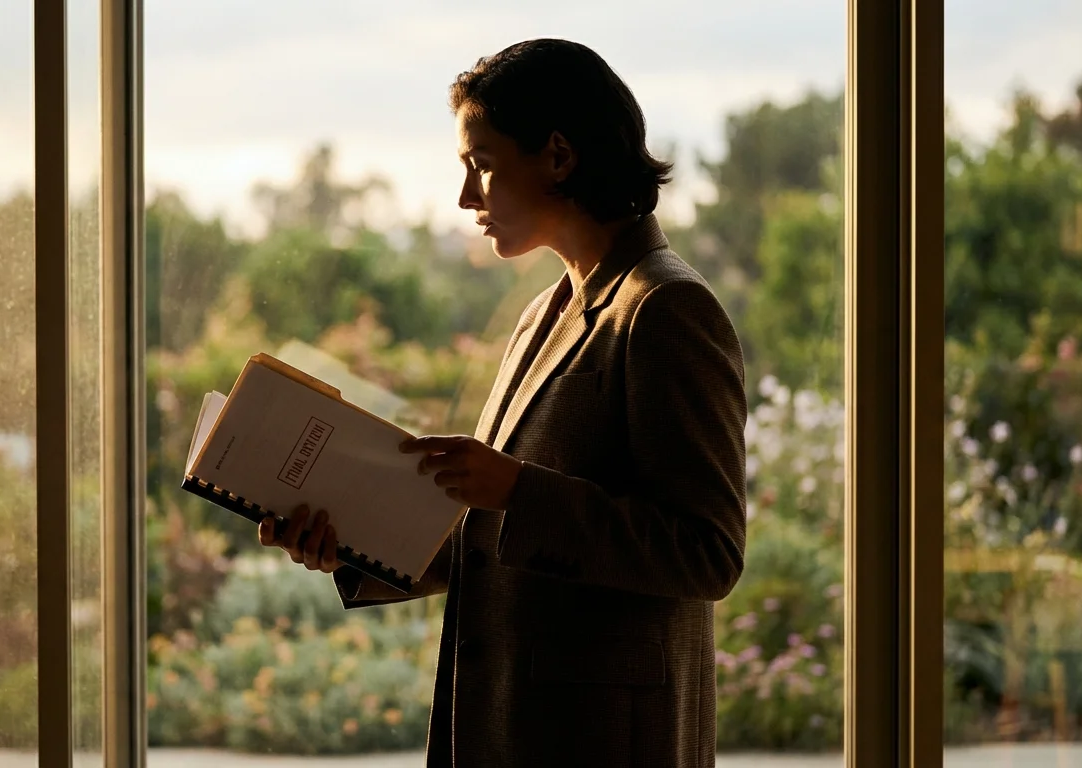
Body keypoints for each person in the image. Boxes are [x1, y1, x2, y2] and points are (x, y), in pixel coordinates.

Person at [259, 38, 747, 768]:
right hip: (509, 727)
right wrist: (351, 544)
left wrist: (516, 488)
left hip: (602, 743)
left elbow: (708, 553)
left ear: (558, 156)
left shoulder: (668, 309)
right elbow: (494, 538)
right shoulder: (541, 317)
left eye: (481, 164)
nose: (466, 197)